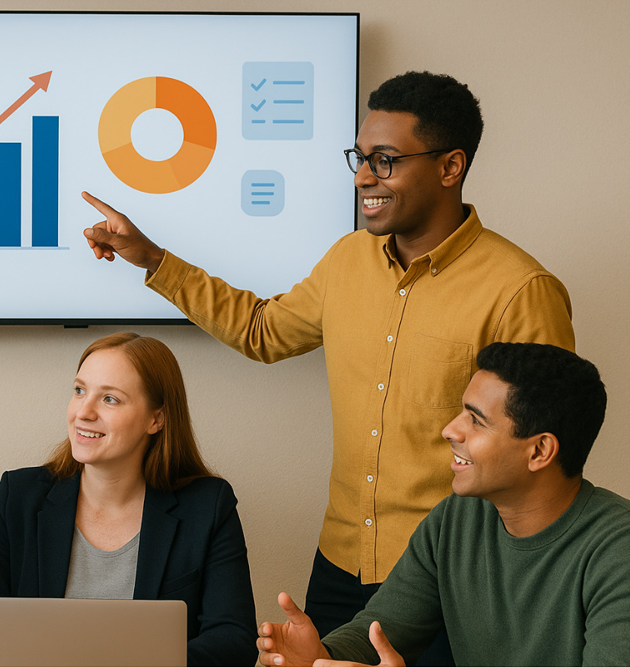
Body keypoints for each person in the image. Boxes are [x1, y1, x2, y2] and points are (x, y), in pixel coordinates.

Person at [81, 71, 576, 658]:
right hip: (341, 564)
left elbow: (543, 458)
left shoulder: (520, 289)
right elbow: (263, 331)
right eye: (361, 157)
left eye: (386, 160)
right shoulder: (347, 260)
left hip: (456, 577)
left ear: (450, 167)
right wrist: (154, 259)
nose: (365, 176)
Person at [256, 342, 630, 666]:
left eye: (476, 420)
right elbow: (382, 629)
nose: (450, 430)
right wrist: (320, 655)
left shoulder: (618, 552)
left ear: (539, 451)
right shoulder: (456, 519)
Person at [0, 332, 257, 666]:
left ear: (155, 419)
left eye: (110, 399)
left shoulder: (208, 506)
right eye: (79, 391)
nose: (83, 412)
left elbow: (234, 640)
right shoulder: (18, 496)